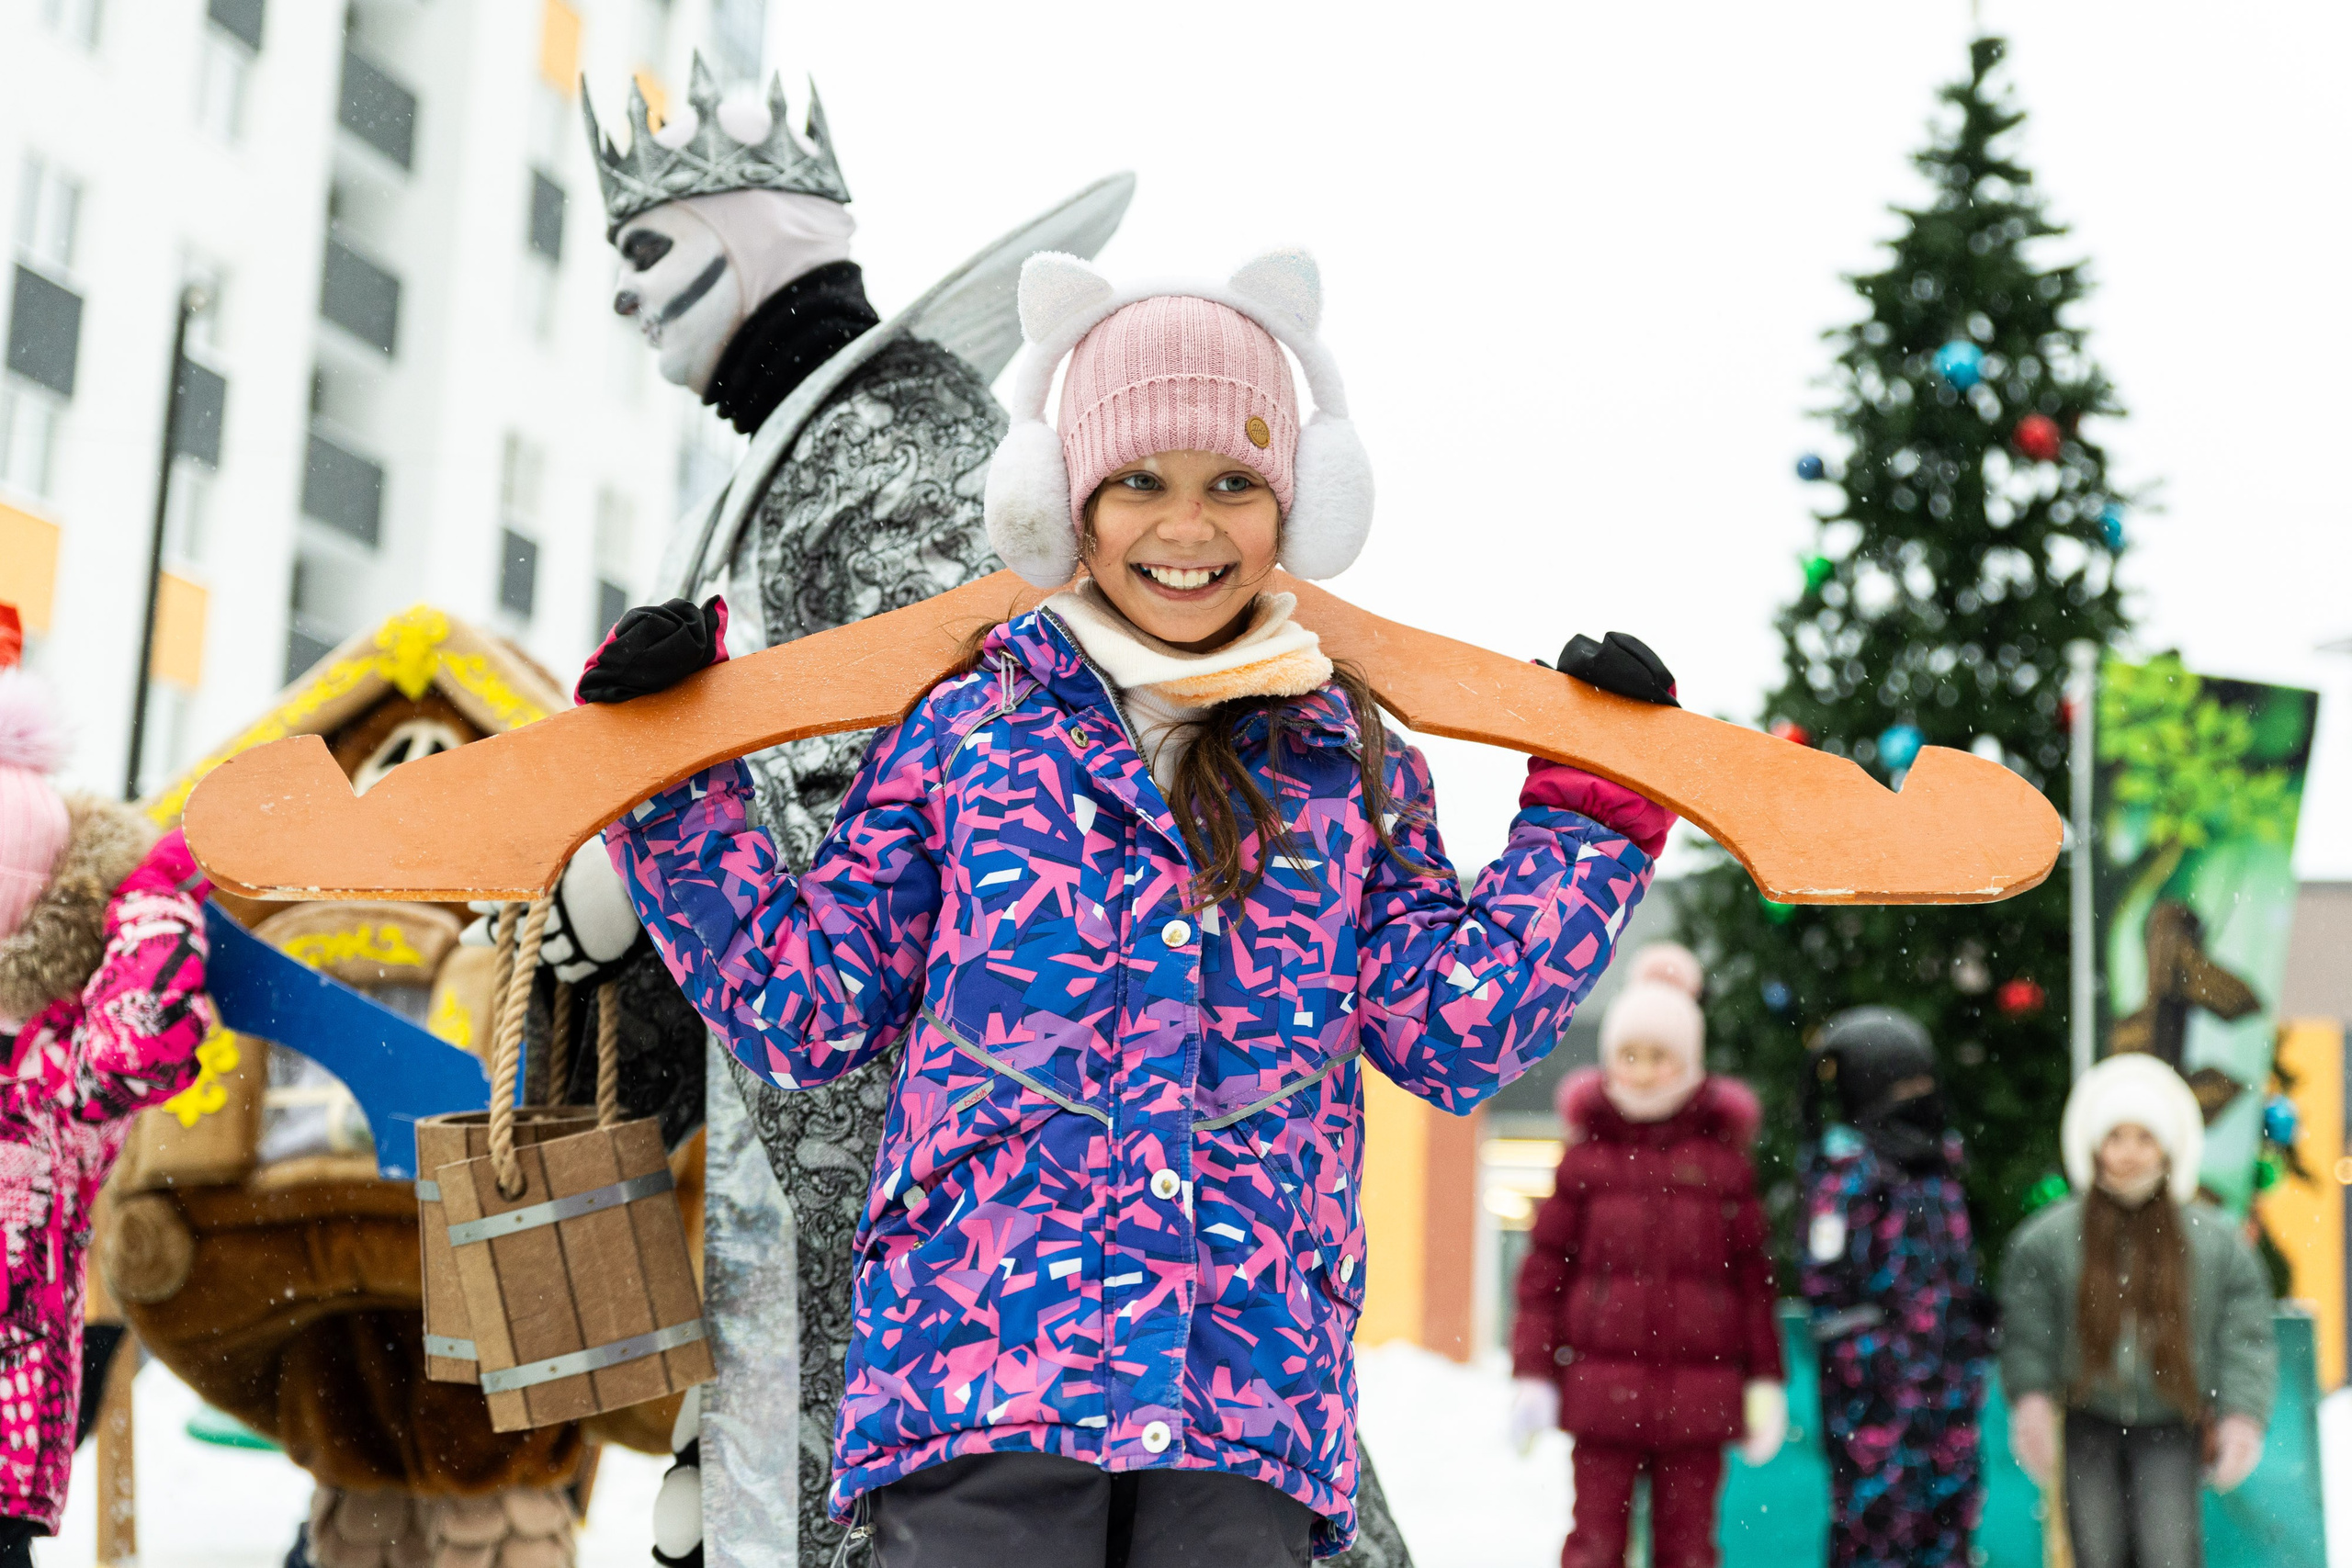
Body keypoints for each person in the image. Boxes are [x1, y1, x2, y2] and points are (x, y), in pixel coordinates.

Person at [586, 247, 1673, 1566]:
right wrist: (668, 791)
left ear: (1296, 504)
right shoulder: (971, 733)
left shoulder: (1344, 762)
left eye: (1233, 482)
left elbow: (1456, 1030)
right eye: (1138, 481)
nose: (1187, 525)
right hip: (980, 1373)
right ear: (1068, 502)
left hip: (1242, 1397)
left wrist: (1587, 819)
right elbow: (804, 1003)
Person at [0, 669, 212, 1563]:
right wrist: (150, 899)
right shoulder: (53, 1072)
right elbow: (139, 1039)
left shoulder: (48, 1068)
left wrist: (154, 901)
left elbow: (138, 1044)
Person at [1509, 943, 1785, 1568]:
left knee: (1687, 1550)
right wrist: (1531, 1371)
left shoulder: (1722, 1162)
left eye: (1660, 1056)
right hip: (1602, 1395)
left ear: (1688, 1061)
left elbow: (1751, 1280)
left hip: (1699, 1397)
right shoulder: (1585, 1159)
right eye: (1628, 1054)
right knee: (1593, 1544)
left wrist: (1765, 1378)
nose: (1642, 1070)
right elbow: (1544, 1275)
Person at [2001, 1053, 2276, 1568]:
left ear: (2167, 1148)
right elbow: (2028, 1329)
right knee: (2096, 1554)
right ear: (2095, 1145)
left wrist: (2241, 1414)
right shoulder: (2049, 1240)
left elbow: (2246, 1336)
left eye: (2144, 1138)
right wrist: (2032, 1399)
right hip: (2088, 1422)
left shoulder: (2215, 1244)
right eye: (2116, 1137)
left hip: (2172, 1424)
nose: (2129, 1153)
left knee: (2168, 1555)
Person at [1796, 1008, 1993, 1568]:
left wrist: (1972, 1326)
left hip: (1947, 1388)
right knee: (1876, 1532)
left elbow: (1952, 1266)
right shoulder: (1847, 1174)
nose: (1918, 1097)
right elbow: (1825, 1282)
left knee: (1948, 1524)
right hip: (1878, 1399)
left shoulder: (1939, 1167)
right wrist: (1871, 1353)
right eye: (1902, 1085)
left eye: (1922, 1083)